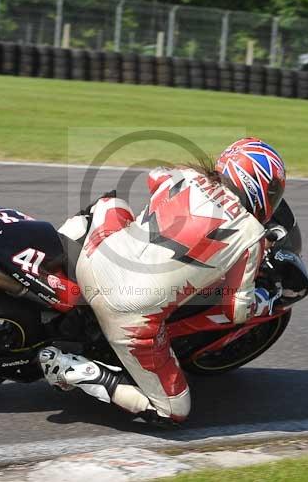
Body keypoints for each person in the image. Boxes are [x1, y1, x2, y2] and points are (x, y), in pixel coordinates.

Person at [39, 138, 287, 425]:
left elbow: (155, 176)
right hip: (127, 314)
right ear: (255, 183)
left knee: (111, 203)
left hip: (93, 258)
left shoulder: (187, 176)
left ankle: (53, 258)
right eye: (273, 190)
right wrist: (264, 299)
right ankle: (77, 371)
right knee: (172, 411)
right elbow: (237, 311)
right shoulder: (251, 236)